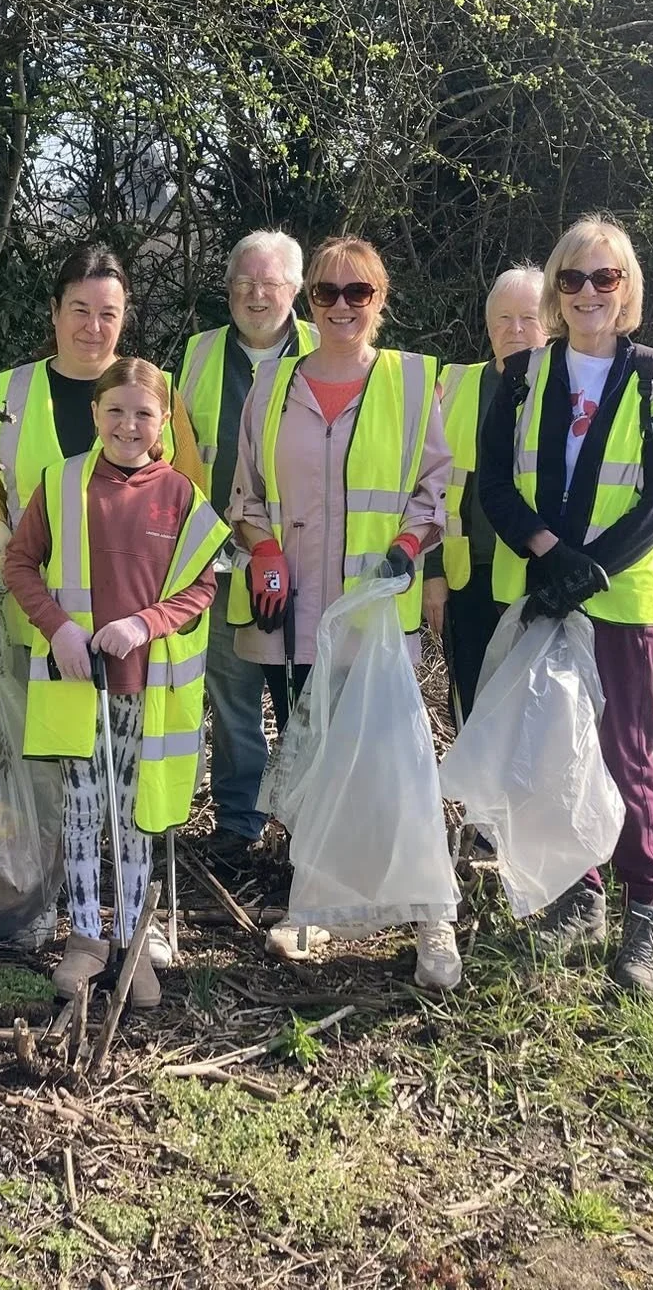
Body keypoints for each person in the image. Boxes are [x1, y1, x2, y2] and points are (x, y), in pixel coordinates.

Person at [0, 245, 204, 952]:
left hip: (128, 632)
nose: (93, 327)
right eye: (80, 311)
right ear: (55, 312)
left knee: (125, 775)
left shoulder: (155, 394)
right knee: (35, 767)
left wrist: (157, 616)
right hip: (35, 618)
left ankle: (130, 919)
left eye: (109, 314)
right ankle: (33, 903)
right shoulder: (16, 390)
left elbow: (191, 507)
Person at [227, 236, 461, 989]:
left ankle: (431, 915)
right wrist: (260, 547)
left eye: (356, 293)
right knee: (312, 758)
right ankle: (317, 901)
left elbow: (437, 486)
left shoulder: (412, 382)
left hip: (373, 615)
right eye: (326, 293)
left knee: (398, 765)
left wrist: (408, 542)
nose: (339, 307)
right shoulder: (273, 386)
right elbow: (247, 493)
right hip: (292, 614)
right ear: (310, 301)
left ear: (379, 300)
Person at [477, 214, 653, 1000]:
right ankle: (582, 896)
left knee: (624, 753)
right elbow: (494, 483)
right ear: (554, 292)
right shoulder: (526, 374)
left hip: (620, 594)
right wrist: (547, 552)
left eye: (606, 278)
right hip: (544, 587)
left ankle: (648, 913)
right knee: (552, 749)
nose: (589, 293)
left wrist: (593, 568)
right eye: (572, 279)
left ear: (627, 288)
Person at [2, 358, 227, 1006]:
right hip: (76, 683)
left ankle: (132, 944)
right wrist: (57, 629)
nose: (129, 425)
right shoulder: (65, 482)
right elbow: (20, 563)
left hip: (145, 689)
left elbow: (202, 586)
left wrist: (147, 624)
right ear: (97, 413)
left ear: (162, 423)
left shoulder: (182, 497)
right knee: (81, 811)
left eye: (144, 414)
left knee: (134, 817)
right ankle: (86, 941)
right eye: (116, 411)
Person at [176, 231, 319, 877]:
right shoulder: (198, 354)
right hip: (220, 559)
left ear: (295, 290)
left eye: (271, 283)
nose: (256, 295)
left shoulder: (328, 347)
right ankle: (239, 825)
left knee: (305, 704)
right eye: (244, 282)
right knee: (232, 704)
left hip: (308, 561)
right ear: (228, 287)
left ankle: (306, 827)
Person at [424, 264, 548, 721]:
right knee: (473, 713)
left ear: (550, 321)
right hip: (466, 579)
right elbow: (428, 487)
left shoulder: (566, 387)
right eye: (502, 318)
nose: (514, 330)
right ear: (487, 322)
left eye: (529, 318)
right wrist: (432, 573)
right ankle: (479, 798)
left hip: (538, 578)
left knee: (531, 718)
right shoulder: (452, 385)